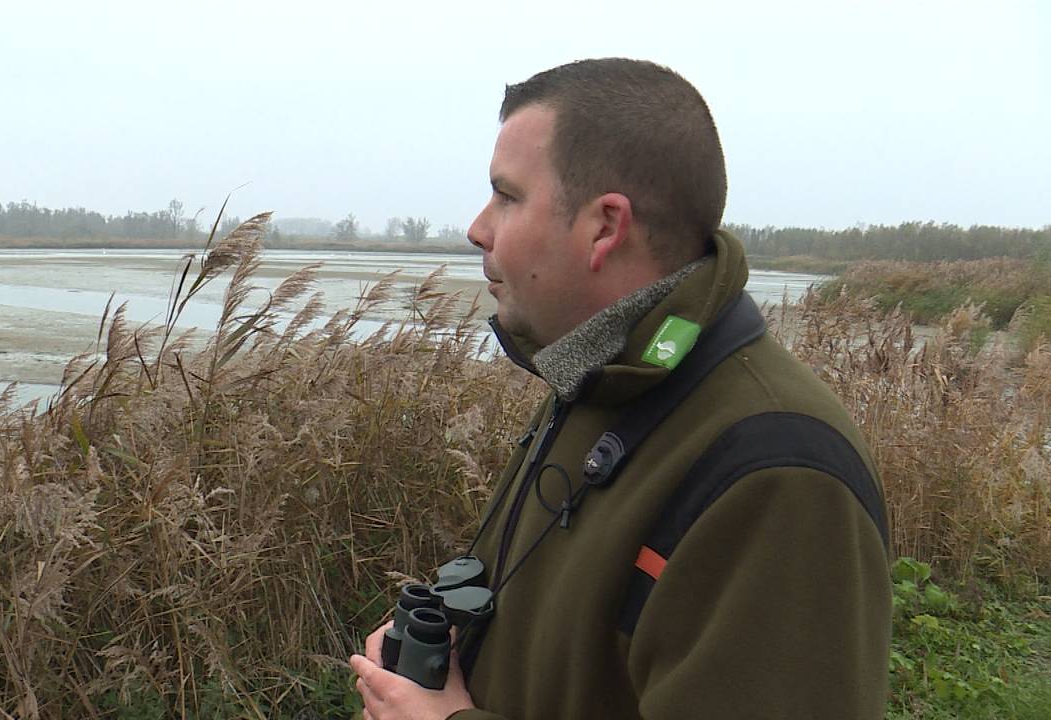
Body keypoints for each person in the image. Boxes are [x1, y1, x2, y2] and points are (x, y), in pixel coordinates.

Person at [349, 58, 891, 720]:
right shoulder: (606, 380)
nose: (477, 228)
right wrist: (434, 663)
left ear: (605, 227)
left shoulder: (781, 476)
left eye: (507, 196)